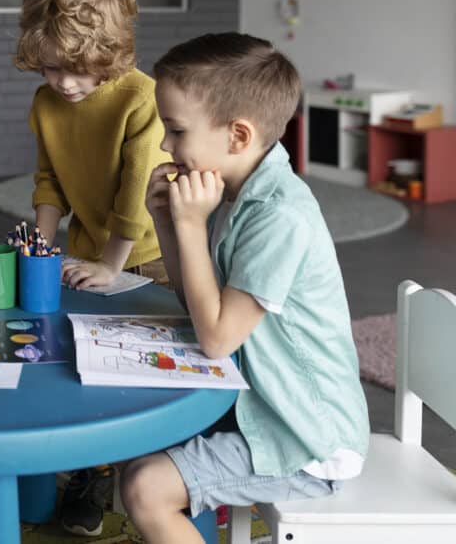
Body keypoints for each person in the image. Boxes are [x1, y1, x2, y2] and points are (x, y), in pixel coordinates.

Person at [120, 33, 369, 544]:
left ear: (237, 136)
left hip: (304, 438)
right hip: (259, 407)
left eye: (177, 130)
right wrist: (168, 223)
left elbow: (215, 338)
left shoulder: (279, 215)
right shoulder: (237, 189)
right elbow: (199, 303)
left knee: (146, 488)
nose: (166, 146)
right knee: (136, 438)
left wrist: (191, 226)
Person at [14, 0, 169, 536]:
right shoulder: (47, 103)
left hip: (149, 254)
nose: (64, 82)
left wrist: (112, 264)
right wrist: (42, 246)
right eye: (52, 68)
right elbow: (49, 178)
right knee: (76, 362)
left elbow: (136, 191)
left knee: (138, 368)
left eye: (79, 69)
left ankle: (160, 468)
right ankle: (90, 472)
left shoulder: (142, 98)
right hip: (84, 250)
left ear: (113, 52)